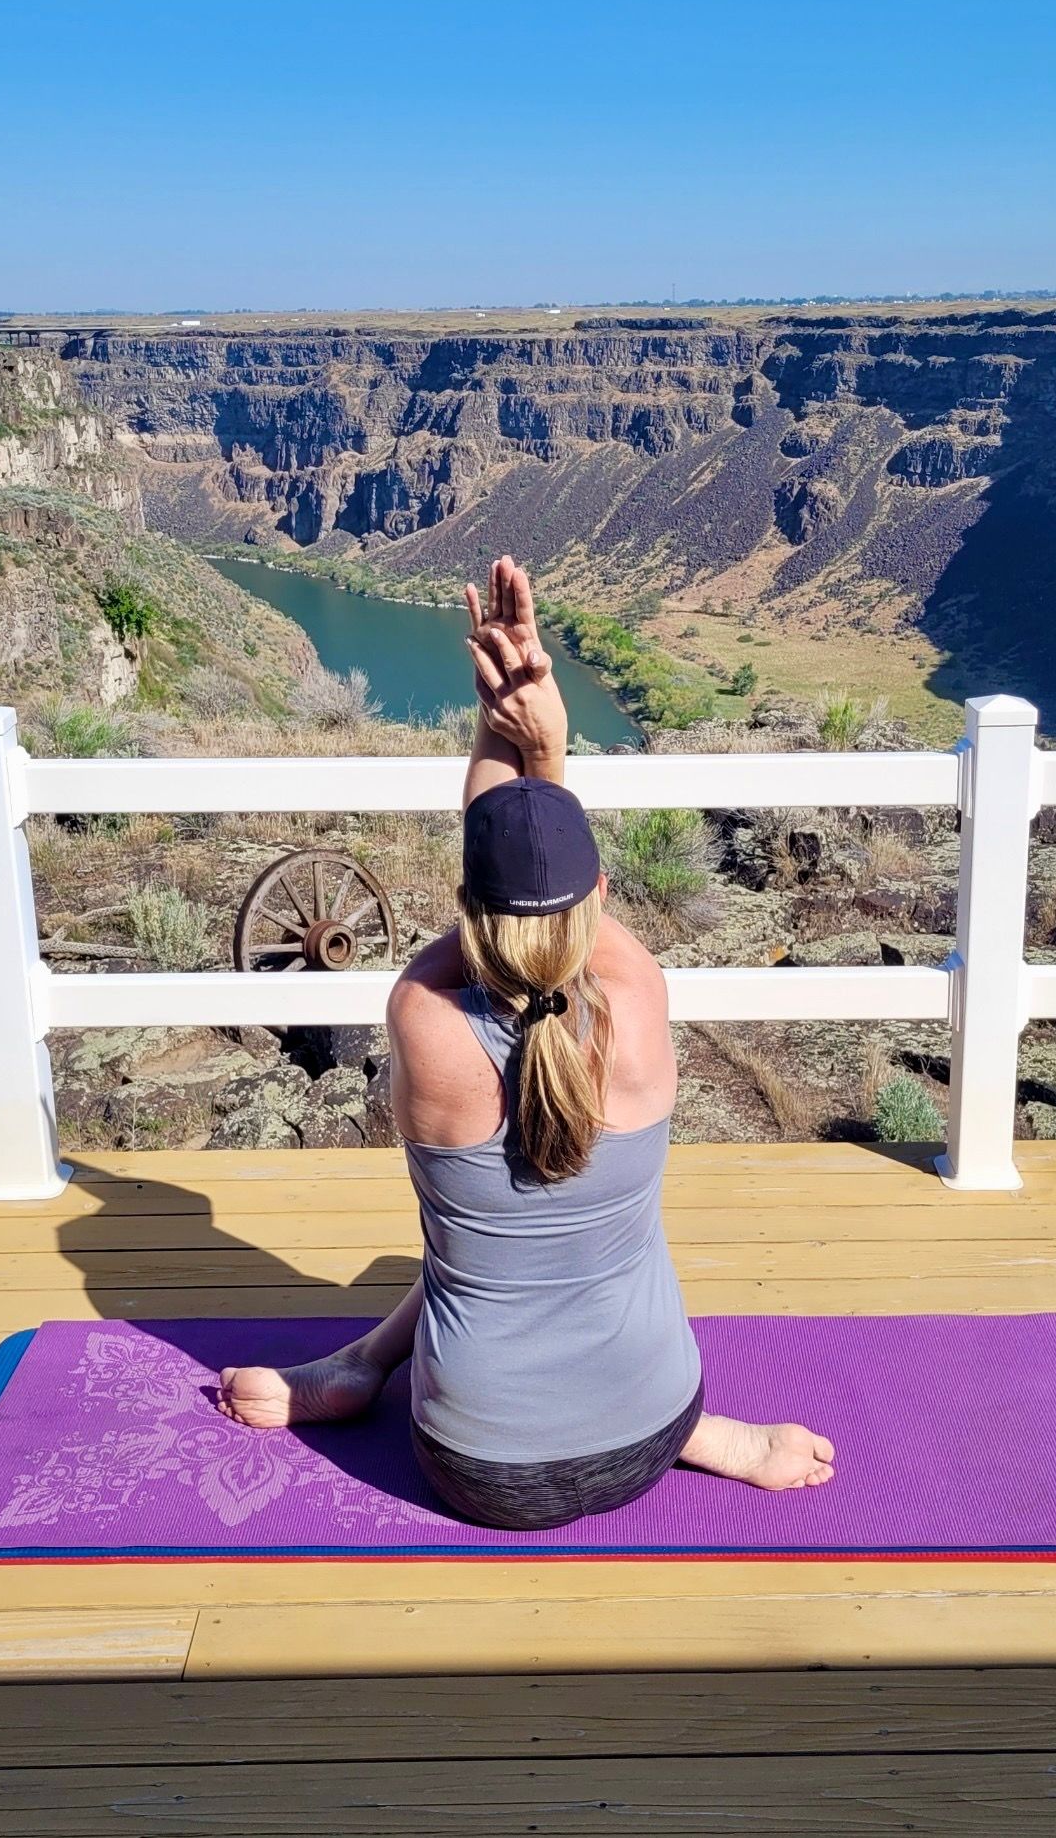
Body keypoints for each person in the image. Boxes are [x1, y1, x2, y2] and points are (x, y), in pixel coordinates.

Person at [218, 557, 834, 1529]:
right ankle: (706, 1436)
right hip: (649, 1433)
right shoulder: (638, 998)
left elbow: (496, 866)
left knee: (472, 1252)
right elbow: (534, 882)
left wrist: (495, 722)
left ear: (466, 910)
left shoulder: (421, 1018)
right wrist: (545, 744)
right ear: (598, 898)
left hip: (473, 1466)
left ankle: (360, 1366)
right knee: (542, 1250)